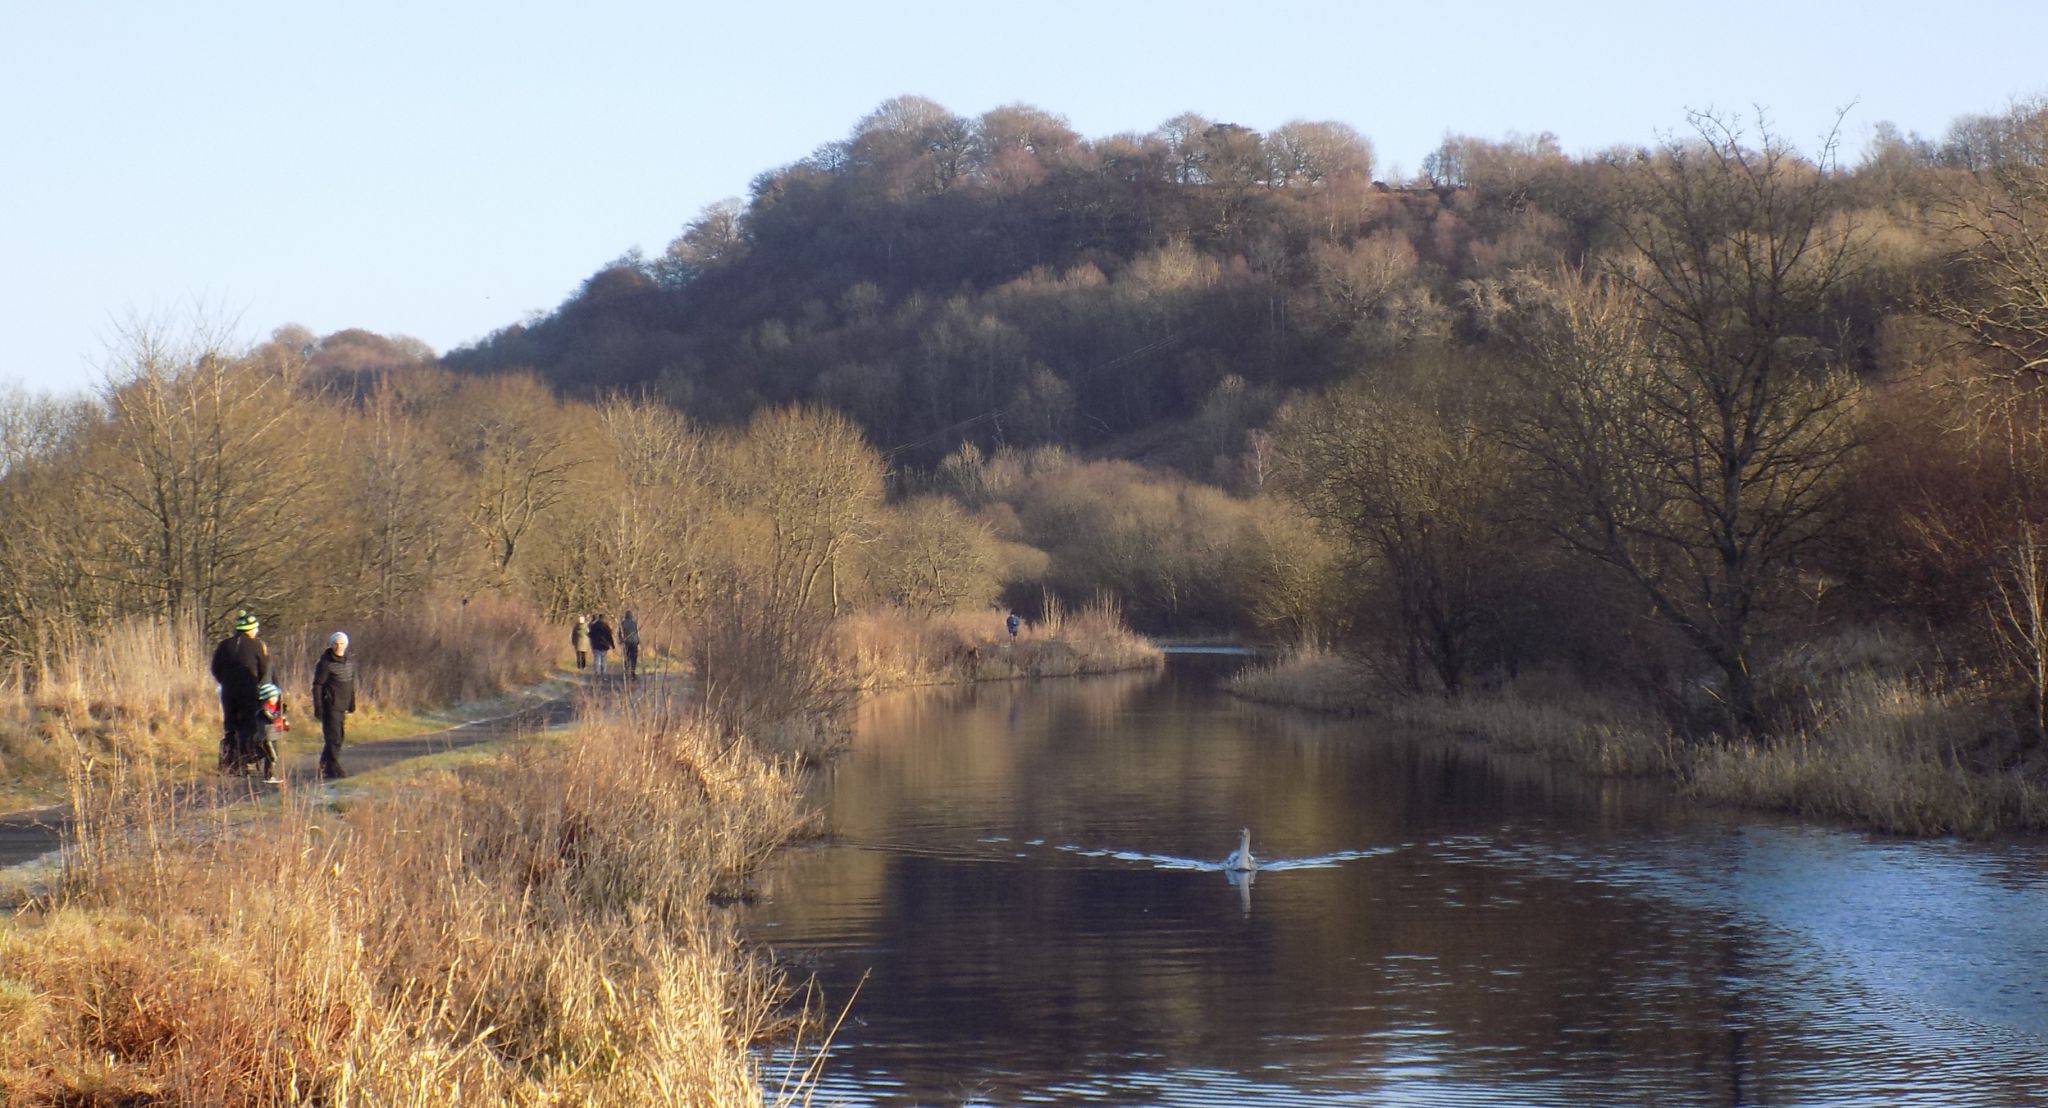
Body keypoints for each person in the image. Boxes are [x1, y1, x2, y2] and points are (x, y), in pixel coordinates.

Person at [209, 609, 271, 776]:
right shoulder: (257, 645)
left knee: (230, 725)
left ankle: (230, 762)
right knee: (248, 725)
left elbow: (215, 668)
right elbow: (264, 669)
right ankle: (245, 759)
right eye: (255, 628)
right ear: (249, 629)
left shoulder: (224, 645)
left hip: (228, 691)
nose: (257, 631)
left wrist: (226, 681)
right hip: (249, 690)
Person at [310, 631, 356, 780]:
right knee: (334, 738)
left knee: (338, 738)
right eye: (336, 644)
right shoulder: (325, 663)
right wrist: (318, 707)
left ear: (346, 645)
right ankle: (334, 769)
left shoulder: (349, 662)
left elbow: (351, 683)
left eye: (342, 644)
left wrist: (352, 702)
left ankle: (325, 766)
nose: (338, 646)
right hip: (330, 705)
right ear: (331, 645)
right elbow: (317, 685)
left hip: (343, 705)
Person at [619, 610, 640, 680]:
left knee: (627, 657)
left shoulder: (622, 623)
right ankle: (633, 672)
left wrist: (620, 640)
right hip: (634, 642)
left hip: (626, 642)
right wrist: (638, 641)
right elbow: (637, 633)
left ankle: (626, 672)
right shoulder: (634, 623)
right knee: (634, 658)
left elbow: (620, 633)